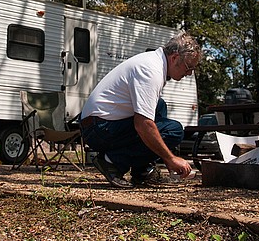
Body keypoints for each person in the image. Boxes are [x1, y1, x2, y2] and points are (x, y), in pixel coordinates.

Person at [80, 31, 201, 188]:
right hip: (98, 129)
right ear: (175, 57)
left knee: (159, 105)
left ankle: (142, 171)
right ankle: (112, 162)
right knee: (174, 130)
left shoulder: (155, 63)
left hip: (99, 124)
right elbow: (142, 124)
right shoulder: (151, 71)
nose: (189, 73)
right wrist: (170, 158)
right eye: (188, 67)